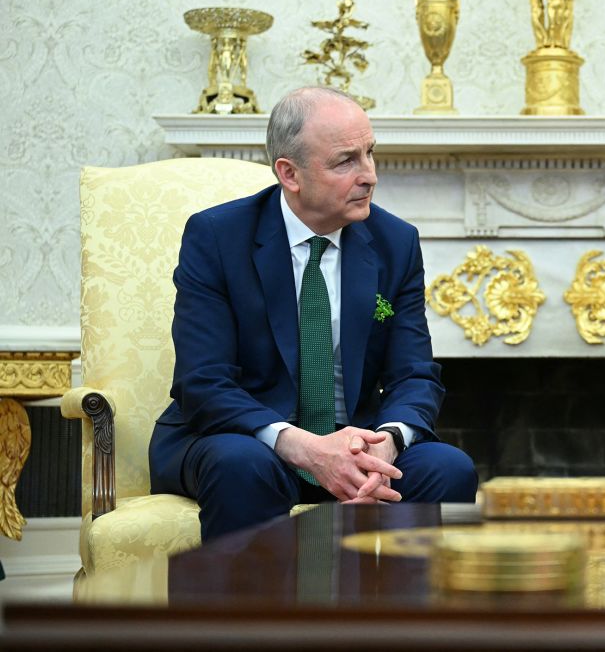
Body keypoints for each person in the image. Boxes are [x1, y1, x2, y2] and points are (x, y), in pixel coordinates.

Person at [150, 86, 478, 541]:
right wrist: (304, 447)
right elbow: (203, 382)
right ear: (290, 173)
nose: (369, 176)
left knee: (448, 468)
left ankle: (395, 612)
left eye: (370, 154)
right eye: (346, 161)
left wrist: (388, 441)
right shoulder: (217, 237)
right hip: (250, 440)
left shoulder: (395, 242)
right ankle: (245, 612)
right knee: (241, 466)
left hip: (356, 442)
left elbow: (415, 375)